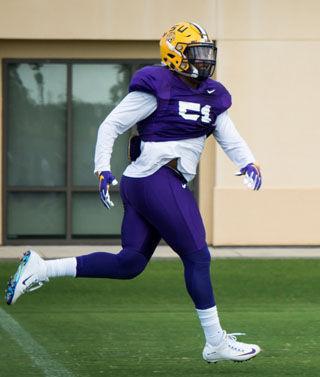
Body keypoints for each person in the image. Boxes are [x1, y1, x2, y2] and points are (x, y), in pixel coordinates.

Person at [4, 21, 262, 363]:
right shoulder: (157, 85)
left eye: (206, 53)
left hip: (144, 183)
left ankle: (42, 268)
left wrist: (248, 162)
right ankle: (215, 341)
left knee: (129, 263)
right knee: (198, 256)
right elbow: (111, 123)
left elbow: (228, 135)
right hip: (158, 178)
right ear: (175, 55)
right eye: (196, 54)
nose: (203, 60)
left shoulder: (213, 95)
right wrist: (101, 167)